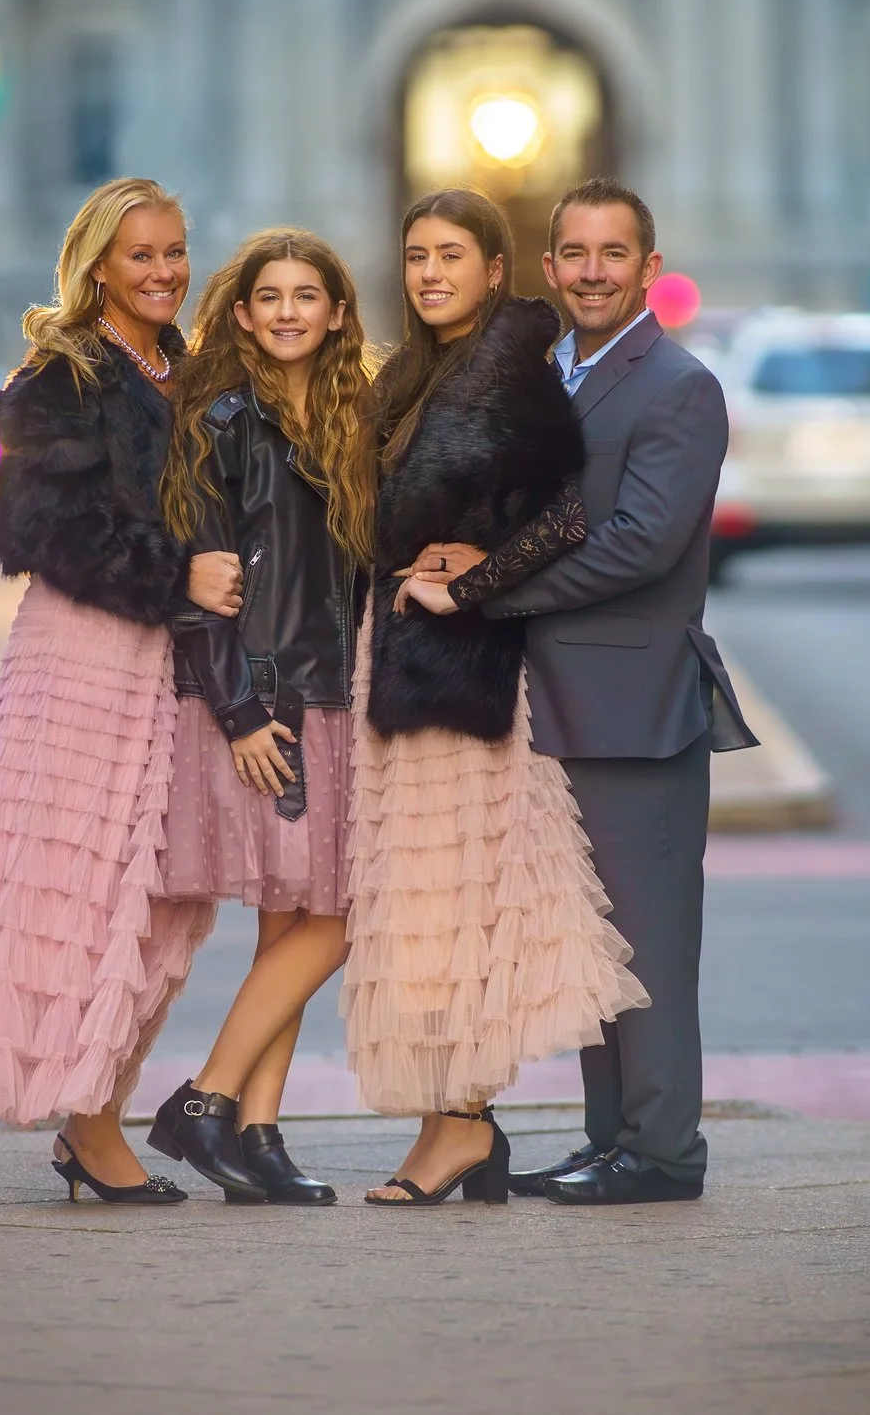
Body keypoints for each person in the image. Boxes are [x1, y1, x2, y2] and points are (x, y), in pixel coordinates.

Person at [0, 177, 244, 1205]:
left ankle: (99, 1101)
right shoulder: (55, 381)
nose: (162, 271)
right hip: (85, 659)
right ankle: (90, 1123)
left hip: (177, 663)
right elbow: (38, 533)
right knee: (88, 892)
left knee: (167, 893)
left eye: (174, 252)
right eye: (141, 255)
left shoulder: (190, 370)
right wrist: (174, 574)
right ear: (97, 265)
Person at [347, 187, 648, 1206]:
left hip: (463, 674)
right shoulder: (411, 377)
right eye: (417, 255)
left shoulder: (512, 376)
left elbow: (566, 515)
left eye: (451, 256)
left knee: (452, 908)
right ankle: (456, 1125)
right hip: (399, 667)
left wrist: (470, 577)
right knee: (416, 907)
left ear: (492, 271)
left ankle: (462, 1124)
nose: (431, 273)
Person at [462, 177, 756, 1207]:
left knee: (648, 945)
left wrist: (491, 592)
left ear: (648, 268)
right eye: (575, 253)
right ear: (550, 269)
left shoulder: (679, 384)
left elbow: (642, 541)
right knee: (592, 944)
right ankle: (611, 1141)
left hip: (637, 703)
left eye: (613, 253)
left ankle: (664, 1151)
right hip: (549, 700)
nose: (592, 270)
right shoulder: (547, 377)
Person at [144, 229, 378, 1205]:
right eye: (268, 295)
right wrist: (240, 711)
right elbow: (199, 581)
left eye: (306, 296)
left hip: (334, 693)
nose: (287, 311)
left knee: (293, 920)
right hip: (263, 700)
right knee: (336, 913)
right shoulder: (217, 420)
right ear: (240, 314)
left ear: (334, 313)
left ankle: (254, 1133)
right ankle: (202, 1102)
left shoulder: (350, 416)